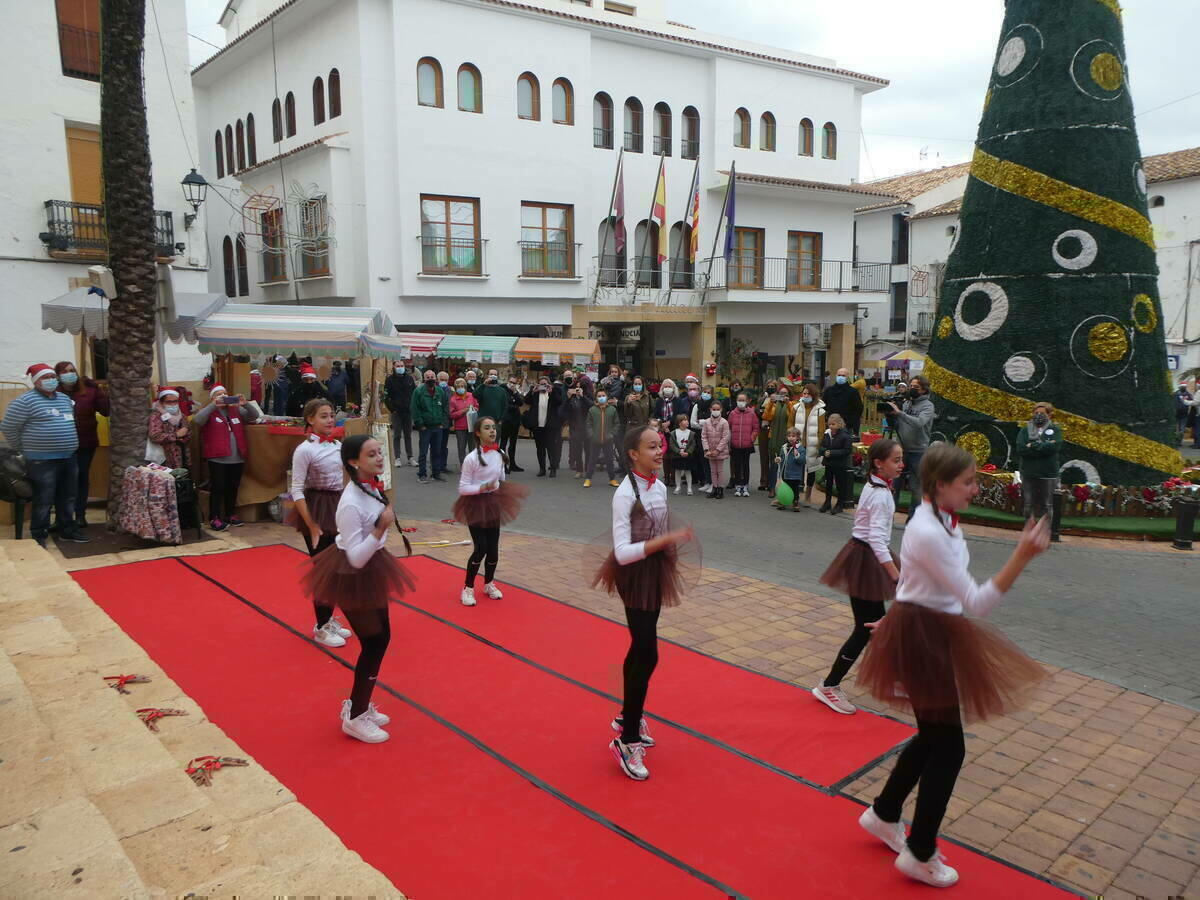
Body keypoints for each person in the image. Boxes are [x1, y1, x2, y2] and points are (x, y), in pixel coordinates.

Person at [856, 444, 1049, 887]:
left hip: (923, 629)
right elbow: (977, 603)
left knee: (933, 737)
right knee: (949, 747)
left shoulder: (934, 517)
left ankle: (885, 814)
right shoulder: (930, 530)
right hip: (927, 639)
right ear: (940, 485)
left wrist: (896, 613)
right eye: (968, 482)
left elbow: (913, 578)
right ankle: (920, 852)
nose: (976, 489)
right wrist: (1021, 556)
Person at [593, 426, 696, 781]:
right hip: (633, 575)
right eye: (651, 447)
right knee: (648, 651)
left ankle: (627, 716)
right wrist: (661, 542)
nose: (659, 451)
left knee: (641, 647)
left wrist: (665, 543)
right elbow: (622, 553)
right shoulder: (623, 494)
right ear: (633, 454)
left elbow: (658, 526)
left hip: (653, 571)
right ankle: (627, 740)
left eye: (660, 445)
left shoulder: (660, 486)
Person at [302, 434, 416, 744]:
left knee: (382, 638)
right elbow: (354, 556)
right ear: (354, 461)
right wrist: (380, 529)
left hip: (372, 567)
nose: (379, 458)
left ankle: (359, 706)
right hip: (352, 573)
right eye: (371, 454)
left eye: (380, 452)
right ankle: (354, 717)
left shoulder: (372, 489)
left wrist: (380, 531)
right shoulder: (351, 501)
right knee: (374, 642)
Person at [813, 439, 903, 714]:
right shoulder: (879, 494)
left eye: (901, 459)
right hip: (866, 560)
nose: (901, 464)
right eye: (896, 460)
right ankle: (829, 685)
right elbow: (876, 539)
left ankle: (890, 679)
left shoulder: (876, 486)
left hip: (866, 558)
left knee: (877, 626)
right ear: (879, 463)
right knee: (866, 628)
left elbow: (876, 537)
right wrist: (896, 575)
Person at [286, 398, 353, 648]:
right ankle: (321, 627)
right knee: (325, 570)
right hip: (316, 508)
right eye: (323, 416)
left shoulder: (338, 445)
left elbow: (346, 480)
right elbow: (297, 489)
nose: (329, 420)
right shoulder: (305, 450)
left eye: (331, 415)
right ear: (310, 420)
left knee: (338, 568)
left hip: (337, 507)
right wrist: (312, 524)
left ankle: (327, 619)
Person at [0, 364, 86, 546]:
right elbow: (8, 426)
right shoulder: (25, 401)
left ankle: (67, 530)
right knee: (43, 499)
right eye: (45, 378)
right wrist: (23, 448)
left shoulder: (63, 399)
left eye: (52, 377)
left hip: (68, 457)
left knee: (68, 496)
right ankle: (39, 535)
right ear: (35, 381)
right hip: (41, 460)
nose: (50, 381)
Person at [453, 416, 529, 606]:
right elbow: (463, 488)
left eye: (493, 428)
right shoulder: (471, 459)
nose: (492, 431)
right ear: (478, 433)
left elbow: (500, 478)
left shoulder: (500, 453)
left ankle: (489, 583)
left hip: (493, 503)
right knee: (481, 548)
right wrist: (482, 488)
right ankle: (468, 588)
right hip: (475, 505)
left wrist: (498, 492)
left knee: (493, 549)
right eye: (487, 428)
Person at [195, 385, 260, 530]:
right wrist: (213, 405)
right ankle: (214, 517)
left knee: (233, 487)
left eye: (225, 393)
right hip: (217, 457)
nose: (223, 396)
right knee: (218, 487)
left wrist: (246, 404)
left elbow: (254, 416)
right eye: (219, 394)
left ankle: (230, 514)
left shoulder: (235, 410)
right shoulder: (210, 412)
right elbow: (198, 420)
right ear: (212, 398)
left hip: (237, 457)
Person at [54, 360, 109, 529]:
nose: (70, 374)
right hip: (60, 444)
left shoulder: (90, 391)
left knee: (80, 478)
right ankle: (61, 518)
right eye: (64, 372)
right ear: (58, 376)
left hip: (85, 442)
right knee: (61, 480)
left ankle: (79, 515)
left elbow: (106, 410)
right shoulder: (54, 392)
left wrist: (99, 391)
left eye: (72, 370)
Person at [889, 375, 935, 523]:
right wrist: (892, 416)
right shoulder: (907, 403)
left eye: (915, 388)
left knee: (916, 488)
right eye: (910, 387)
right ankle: (889, 514)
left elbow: (920, 422)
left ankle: (913, 519)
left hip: (918, 451)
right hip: (901, 450)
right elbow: (901, 423)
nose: (911, 390)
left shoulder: (928, 406)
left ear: (923, 390)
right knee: (894, 484)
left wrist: (900, 414)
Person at [1015, 401, 1063, 522]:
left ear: (1049, 415)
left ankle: (1045, 532)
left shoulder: (1055, 430)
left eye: (1042, 413)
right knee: (1028, 505)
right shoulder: (1025, 431)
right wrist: (1044, 446)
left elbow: (1054, 448)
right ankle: (1029, 531)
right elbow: (1021, 449)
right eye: (1036, 413)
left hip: (1048, 475)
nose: (1038, 415)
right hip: (1029, 474)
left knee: (1047, 506)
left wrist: (1032, 445)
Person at [522, 374, 564, 477]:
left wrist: (552, 392)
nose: (543, 386)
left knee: (551, 448)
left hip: (550, 425)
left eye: (545, 384)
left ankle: (553, 469)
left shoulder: (553, 392)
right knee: (540, 448)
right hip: (537, 425)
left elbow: (559, 402)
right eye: (541, 384)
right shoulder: (535, 394)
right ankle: (542, 469)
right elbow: (526, 401)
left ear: (549, 384)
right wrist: (532, 391)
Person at [411, 369, 449, 484]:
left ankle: (436, 473)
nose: (430, 379)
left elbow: (445, 407)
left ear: (435, 379)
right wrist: (420, 424)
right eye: (428, 377)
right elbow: (414, 409)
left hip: (438, 427)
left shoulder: (440, 391)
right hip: (425, 428)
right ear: (424, 378)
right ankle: (422, 474)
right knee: (423, 452)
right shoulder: (418, 391)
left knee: (437, 451)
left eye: (432, 376)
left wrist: (442, 422)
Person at [762, 384, 797, 499]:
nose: (783, 396)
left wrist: (787, 403)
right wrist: (771, 402)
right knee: (774, 464)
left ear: (789, 395)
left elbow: (793, 415)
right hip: (774, 439)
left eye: (785, 394)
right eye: (781, 394)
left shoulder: (792, 404)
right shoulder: (772, 405)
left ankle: (785, 489)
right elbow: (766, 416)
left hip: (787, 438)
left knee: (786, 465)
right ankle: (772, 488)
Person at [795, 382, 826, 507]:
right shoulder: (796, 407)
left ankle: (808, 496)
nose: (805, 395)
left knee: (811, 470)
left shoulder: (820, 411)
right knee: (796, 469)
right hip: (798, 444)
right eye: (804, 393)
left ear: (813, 395)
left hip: (812, 445)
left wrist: (819, 445)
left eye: (808, 393)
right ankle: (795, 495)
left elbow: (822, 430)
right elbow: (791, 424)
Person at [147, 388, 191, 470]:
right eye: (169, 402)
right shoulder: (156, 416)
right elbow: (155, 436)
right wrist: (176, 435)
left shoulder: (182, 415)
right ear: (161, 402)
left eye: (175, 401)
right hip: (166, 459)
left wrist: (184, 437)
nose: (173, 404)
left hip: (183, 455)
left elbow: (188, 431)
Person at [384, 360, 417, 468]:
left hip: (408, 411)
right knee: (397, 435)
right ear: (393, 367)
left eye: (402, 366)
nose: (400, 367)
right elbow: (386, 396)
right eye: (398, 366)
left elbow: (414, 393)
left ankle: (410, 457)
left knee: (408, 435)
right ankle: (397, 457)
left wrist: (412, 406)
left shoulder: (409, 378)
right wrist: (392, 409)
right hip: (396, 411)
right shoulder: (389, 380)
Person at [819, 413, 853, 514]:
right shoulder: (827, 434)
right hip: (829, 464)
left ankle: (840, 504)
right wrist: (824, 451)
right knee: (828, 483)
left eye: (833, 424)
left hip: (840, 464)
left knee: (840, 484)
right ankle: (827, 502)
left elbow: (847, 450)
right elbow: (822, 446)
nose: (830, 426)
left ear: (839, 424)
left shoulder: (845, 436)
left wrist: (832, 453)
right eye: (829, 424)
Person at [585, 388, 620, 488]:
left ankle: (612, 479)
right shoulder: (592, 410)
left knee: (609, 460)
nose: (601, 398)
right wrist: (591, 434)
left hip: (608, 439)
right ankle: (588, 479)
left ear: (607, 397)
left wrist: (612, 434)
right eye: (599, 396)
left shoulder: (612, 409)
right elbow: (588, 424)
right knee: (592, 460)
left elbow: (617, 424)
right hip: (595, 439)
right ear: (596, 398)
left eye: (603, 396)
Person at [727, 392, 759, 497]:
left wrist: (752, 437)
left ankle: (745, 485)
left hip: (747, 445)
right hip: (735, 444)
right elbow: (729, 428)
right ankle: (737, 485)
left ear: (747, 401)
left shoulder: (752, 414)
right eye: (739, 400)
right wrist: (729, 442)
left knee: (745, 466)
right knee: (736, 465)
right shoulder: (732, 414)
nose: (741, 402)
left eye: (743, 400)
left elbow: (756, 428)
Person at [701, 399, 730, 500]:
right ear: (710, 409)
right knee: (713, 471)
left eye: (718, 409)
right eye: (714, 409)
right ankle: (714, 488)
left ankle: (720, 489)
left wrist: (718, 450)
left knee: (720, 471)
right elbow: (703, 436)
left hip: (720, 451)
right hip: (710, 451)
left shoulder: (724, 422)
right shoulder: (706, 422)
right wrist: (706, 449)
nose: (716, 411)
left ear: (721, 410)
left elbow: (725, 437)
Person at [822, 368, 864, 437]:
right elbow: (823, 406)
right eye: (839, 375)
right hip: (830, 425)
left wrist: (851, 423)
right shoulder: (829, 390)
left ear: (847, 377)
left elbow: (858, 409)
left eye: (843, 375)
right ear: (836, 376)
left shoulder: (853, 392)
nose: (841, 377)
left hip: (847, 426)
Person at [564, 377, 592, 478]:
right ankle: (579, 470)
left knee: (588, 450)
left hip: (587, 427)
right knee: (577, 450)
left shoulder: (588, 396)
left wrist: (583, 396)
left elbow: (591, 406)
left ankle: (588, 469)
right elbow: (564, 410)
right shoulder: (572, 398)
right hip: (575, 427)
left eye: (579, 388)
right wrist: (567, 398)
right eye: (576, 388)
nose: (577, 390)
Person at [773, 427, 806, 511]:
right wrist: (779, 459)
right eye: (789, 436)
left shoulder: (800, 448)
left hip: (795, 474)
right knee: (785, 489)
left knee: (795, 489)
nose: (791, 438)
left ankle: (795, 503)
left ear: (798, 437)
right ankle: (783, 502)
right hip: (785, 473)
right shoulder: (784, 447)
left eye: (793, 436)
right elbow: (782, 457)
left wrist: (797, 455)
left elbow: (802, 461)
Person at [449, 377, 479, 467]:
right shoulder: (453, 399)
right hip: (460, 427)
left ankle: (473, 465)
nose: (460, 388)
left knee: (473, 447)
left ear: (465, 387)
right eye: (458, 386)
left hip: (472, 426)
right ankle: (463, 464)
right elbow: (452, 415)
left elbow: (477, 405)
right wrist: (463, 411)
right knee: (461, 447)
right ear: (455, 388)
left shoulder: (471, 395)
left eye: (462, 386)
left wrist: (475, 408)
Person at [756, 379, 780, 491]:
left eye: (773, 386)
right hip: (763, 429)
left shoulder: (779, 399)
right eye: (769, 386)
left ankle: (772, 482)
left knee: (773, 456)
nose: (770, 387)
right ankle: (763, 481)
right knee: (763, 456)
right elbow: (757, 411)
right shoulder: (762, 399)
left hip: (774, 429)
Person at [501, 375, 525, 472]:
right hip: (506, 420)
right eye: (511, 382)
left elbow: (520, 403)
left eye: (514, 383)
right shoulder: (502, 390)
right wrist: (514, 406)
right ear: (508, 381)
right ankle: (503, 465)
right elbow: (506, 405)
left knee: (513, 444)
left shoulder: (514, 392)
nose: (512, 384)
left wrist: (515, 393)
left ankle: (513, 464)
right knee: (503, 444)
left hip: (515, 421)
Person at [669, 413, 697, 496]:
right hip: (677, 456)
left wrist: (688, 452)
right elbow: (672, 444)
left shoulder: (691, 433)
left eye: (687, 420)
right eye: (684, 420)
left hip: (687, 455)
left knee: (688, 471)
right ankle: (678, 487)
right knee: (677, 471)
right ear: (679, 423)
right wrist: (678, 451)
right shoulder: (673, 433)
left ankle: (689, 487)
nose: (687, 421)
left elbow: (693, 444)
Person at [436, 371, 453, 474]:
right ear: (438, 380)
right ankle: (435, 466)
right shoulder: (434, 390)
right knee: (436, 445)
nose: (444, 382)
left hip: (446, 422)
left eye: (446, 380)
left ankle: (443, 465)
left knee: (444, 446)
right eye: (442, 380)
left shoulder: (450, 391)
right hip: (436, 422)